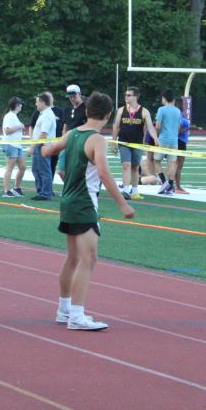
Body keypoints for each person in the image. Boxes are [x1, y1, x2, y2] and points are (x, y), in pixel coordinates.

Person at [42, 92, 135, 331]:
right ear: (108, 115)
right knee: (88, 259)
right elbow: (104, 173)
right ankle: (76, 315)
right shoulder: (97, 140)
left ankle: (64, 309)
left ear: (86, 110)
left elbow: (48, 150)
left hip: (68, 201)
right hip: (84, 202)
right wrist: (122, 204)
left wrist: (44, 146)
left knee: (73, 258)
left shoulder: (73, 133)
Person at [110, 86, 159, 201]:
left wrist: (156, 139)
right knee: (126, 165)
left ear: (135, 97)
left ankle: (135, 191)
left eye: (129, 95)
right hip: (124, 142)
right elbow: (116, 126)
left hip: (137, 143)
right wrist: (113, 141)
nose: (126, 97)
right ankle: (126, 190)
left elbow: (150, 127)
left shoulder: (144, 111)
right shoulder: (121, 110)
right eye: (126, 95)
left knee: (135, 167)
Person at [28, 92, 58, 201]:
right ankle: (41, 191)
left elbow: (43, 134)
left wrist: (32, 147)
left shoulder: (47, 116)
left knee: (44, 170)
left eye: (37, 102)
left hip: (43, 146)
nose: (36, 104)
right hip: (39, 146)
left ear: (42, 102)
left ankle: (45, 193)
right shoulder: (44, 114)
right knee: (36, 169)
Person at [153, 89, 181, 195]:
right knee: (171, 163)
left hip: (163, 139)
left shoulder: (161, 109)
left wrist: (155, 137)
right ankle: (170, 186)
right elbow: (178, 127)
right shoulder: (177, 111)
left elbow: (158, 126)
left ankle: (164, 183)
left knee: (156, 161)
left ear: (164, 98)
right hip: (174, 140)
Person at [1, 97, 26, 198]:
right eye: (20, 104)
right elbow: (7, 131)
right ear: (17, 105)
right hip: (10, 144)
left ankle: (16, 188)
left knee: (23, 167)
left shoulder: (14, 116)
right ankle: (6, 191)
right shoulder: (9, 116)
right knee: (10, 168)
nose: (21, 106)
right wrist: (19, 126)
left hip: (17, 145)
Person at [174, 110, 191, 193]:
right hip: (180, 142)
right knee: (178, 166)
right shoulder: (180, 119)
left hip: (177, 142)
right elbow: (178, 132)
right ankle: (178, 187)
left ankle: (172, 185)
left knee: (174, 165)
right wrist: (189, 128)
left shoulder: (174, 118)